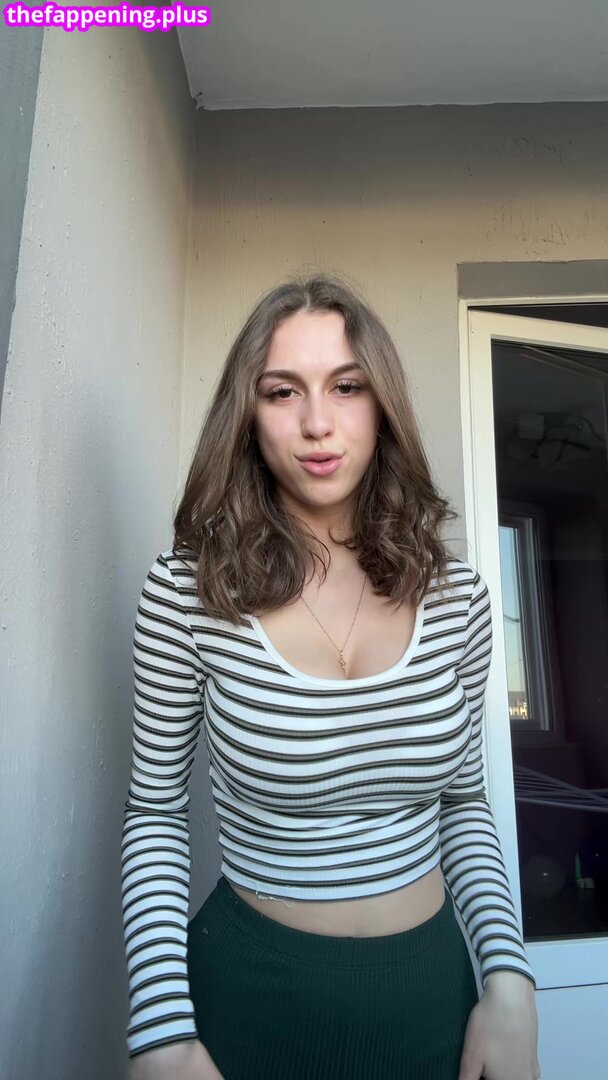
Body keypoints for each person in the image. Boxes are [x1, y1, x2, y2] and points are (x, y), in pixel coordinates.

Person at [121, 274, 541, 1080]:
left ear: (382, 405)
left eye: (347, 386)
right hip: (247, 993)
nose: (317, 422)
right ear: (248, 415)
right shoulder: (185, 593)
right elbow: (155, 813)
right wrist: (161, 1030)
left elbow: (464, 804)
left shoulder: (457, 598)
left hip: (430, 994)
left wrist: (509, 976)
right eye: (283, 391)